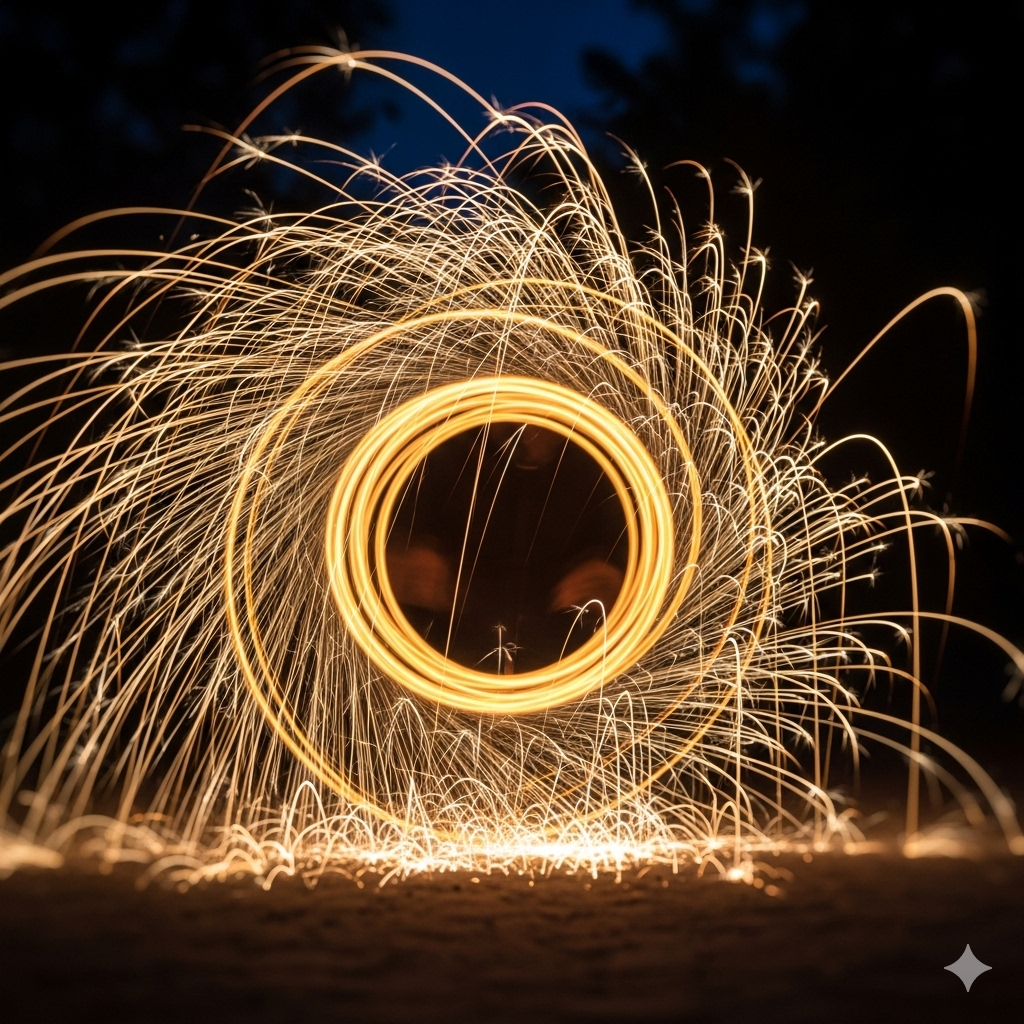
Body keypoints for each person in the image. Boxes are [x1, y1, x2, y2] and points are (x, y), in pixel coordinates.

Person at [384, 423, 627, 674]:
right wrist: (405, 566)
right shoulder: (441, 455)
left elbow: (630, 560)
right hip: (448, 665)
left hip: (564, 670)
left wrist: (613, 581)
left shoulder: (597, 469)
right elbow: (379, 552)